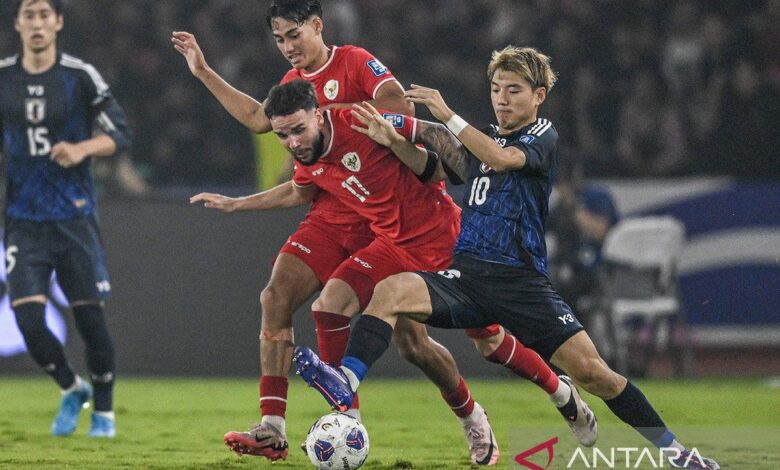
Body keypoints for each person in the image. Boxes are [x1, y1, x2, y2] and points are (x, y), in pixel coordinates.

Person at [293, 46, 720, 470]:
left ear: (538, 96)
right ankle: (344, 382)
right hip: (465, 276)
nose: (502, 98)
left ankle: (677, 453)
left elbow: (500, 158)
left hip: (521, 283)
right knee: (388, 291)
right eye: (496, 89)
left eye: (514, 90)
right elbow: (437, 171)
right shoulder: (485, 138)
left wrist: (444, 114)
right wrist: (394, 139)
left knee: (597, 375)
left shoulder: (540, 136)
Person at [175, 0, 518, 464]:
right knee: (277, 298)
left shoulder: (353, 61)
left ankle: (471, 414)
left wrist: (334, 116)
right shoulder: (291, 88)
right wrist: (202, 71)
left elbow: (396, 104)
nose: (288, 47)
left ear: (317, 27)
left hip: (383, 213)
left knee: (413, 343)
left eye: (294, 34)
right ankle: (286, 427)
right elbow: (261, 120)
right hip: (331, 209)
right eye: (279, 39)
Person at [0, 0, 131, 438]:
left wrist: (81, 149)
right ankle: (71, 387)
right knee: (29, 322)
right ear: (18, 24)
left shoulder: (79, 75)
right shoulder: (3, 77)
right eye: (29, 14)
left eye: (44, 14)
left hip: (73, 217)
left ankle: (105, 414)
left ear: (57, 22)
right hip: (22, 217)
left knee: (91, 322)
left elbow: (120, 133)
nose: (37, 23)